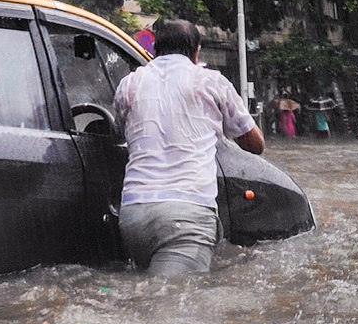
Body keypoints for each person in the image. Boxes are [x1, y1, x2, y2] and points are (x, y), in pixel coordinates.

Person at [113, 19, 265, 276]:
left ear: (156, 49)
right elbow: (255, 144)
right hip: (185, 218)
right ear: (197, 52)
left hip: (133, 215)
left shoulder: (129, 84)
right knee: (172, 306)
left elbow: (120, 131)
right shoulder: (210, 82)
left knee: (147, 299)